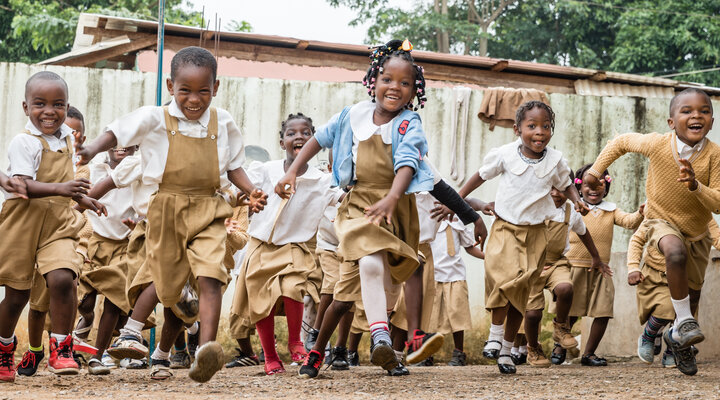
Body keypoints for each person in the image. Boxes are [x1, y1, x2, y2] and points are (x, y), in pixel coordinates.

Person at [278, 39, 486, 379]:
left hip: (395, 211)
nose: (395, 87)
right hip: (360, 205)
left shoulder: (409, 125)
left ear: (414, 91)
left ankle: (317, 352)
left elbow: (424, 174)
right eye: (388, 79)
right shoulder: (352, 116)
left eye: (405, 83)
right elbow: (320, 139)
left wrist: (470, 215)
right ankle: (380, 339)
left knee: (344, 299)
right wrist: (291, 171)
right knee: (371, 261)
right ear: (373, 79)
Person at [75, 46, 267, 383]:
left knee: (212, 275)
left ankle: (207, 348)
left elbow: (234, 166)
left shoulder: (223, 123)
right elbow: (118, 132)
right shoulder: (154, 118)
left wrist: (250, 191)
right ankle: (136, 333)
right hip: (166, 211)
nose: (194, 100)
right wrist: (90, 149)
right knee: (166, 283)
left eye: (203, 91)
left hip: (208, 207)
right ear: (170, 86)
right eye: (185, 91)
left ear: (216, 88)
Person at [455, 100, 600, 374]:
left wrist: (577, 200)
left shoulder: (556, 160)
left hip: (535, 234)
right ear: (517, 129)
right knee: (501, 280)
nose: (539, 132)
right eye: (532, 126)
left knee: (520, 292)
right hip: (505, 229)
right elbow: (480, 176)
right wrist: (457, 198)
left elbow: (567, 184)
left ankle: (507, 351)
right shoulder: (505, 154)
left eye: (546, 126)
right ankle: (495, 335)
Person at [584, 88, 717, 375]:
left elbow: (717, 202)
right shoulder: (657, 144)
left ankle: (678, 342)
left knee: (692, 295)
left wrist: (696, 186)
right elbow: (620, 143)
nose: (696, 115)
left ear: (712, 120)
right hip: (660, 222)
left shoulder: (715, 156)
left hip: (697, 235)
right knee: (674, 250)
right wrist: (595, 172)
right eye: (687, 111)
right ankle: (679, 324)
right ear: (671, 122)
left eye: (704, 111)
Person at [0, 72, 104, 382]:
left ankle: (61, 347)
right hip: (22, 223)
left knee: (62, 279)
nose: (49, 111)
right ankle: (4, 349)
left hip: (58, 224)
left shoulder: (67, 139)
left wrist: (83, 200)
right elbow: (23, 187)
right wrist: (63, 190)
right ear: (25, 106)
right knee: (17, 295)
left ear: (67, 106)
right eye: (40, 104)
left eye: (58, 104)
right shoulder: (24, 142)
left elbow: (63, 184)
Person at [232, 113, 342, 375]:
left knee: (293, 286)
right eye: (291, 134)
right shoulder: (264, 170)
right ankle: (270, 357)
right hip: (261, 246)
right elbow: (239, 189)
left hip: (294, 247)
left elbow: (344, 199)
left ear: (316, 141)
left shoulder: (322, 181)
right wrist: (244, 197)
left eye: (306, 133)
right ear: (282, 142)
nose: (299, 137)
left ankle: (295, 342)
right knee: (261, 302)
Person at [564, 164, 643, 366]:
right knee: (570, 311)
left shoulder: (611, 210)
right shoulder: (573, 207)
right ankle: (560, 345)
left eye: (599, 184)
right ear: (578, 187)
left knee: (603, 310)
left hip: (602, 268)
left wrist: (641, 213)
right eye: (588, 186)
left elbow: (629, 221)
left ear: (606, 187)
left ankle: (588, 353)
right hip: (574, 264)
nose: (593, 189)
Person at [524, 179, 606, 367]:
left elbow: (584, 233)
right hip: (531, 265)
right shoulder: (533, 207)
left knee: (566, 288)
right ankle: (533, 349)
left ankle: (561, 327)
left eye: (561, 190)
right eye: (551, 189)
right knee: (533, 315)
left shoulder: (571, 211)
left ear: (570, 191)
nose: (555, 193)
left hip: (556, 263)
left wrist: (596, 257)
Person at [74, 145, 138, 375]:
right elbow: (78, 202)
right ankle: (83, 324)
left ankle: (97, 356)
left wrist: (138, 226)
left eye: (127, 142)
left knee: (114, 299)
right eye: (116, 141)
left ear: (136, 146)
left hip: (124, 245)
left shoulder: (139, 171)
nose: (121, 146)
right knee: (86, 301)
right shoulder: (92, 171)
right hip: (93, 241)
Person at [628, 217, 720, 375]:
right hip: (657, 274)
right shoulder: (656, 212)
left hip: (687, 277)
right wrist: (633, 267)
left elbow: (716, 237)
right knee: (667, 308)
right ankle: (649, 334)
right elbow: (637, 240)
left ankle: (673, 352)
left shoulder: (703, 215)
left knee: (684, 319)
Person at [428, 216, 484, 366]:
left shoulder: (457, 222)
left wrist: (489, 257)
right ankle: (426, 355)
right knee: (430, 317)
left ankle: (459, 353)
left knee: (458, 315)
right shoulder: (428, 221)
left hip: (455, 275)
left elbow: (469, 247)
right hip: (432, 275)